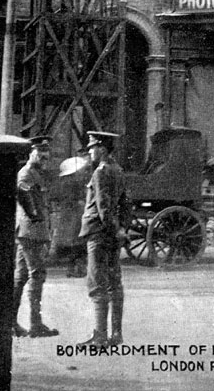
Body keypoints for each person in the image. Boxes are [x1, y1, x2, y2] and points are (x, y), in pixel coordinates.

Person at [77, 131, 131, 347]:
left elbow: (103, 207)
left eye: (92, 147)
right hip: (112, 235)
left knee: (97, 284)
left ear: (102, 149)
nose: (90, 151)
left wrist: (113, 228)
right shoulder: (118, 170)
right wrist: (122, 229)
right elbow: (126, 204)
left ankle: (99, 337)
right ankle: (116, 335)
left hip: (98, 234)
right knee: (114, 284)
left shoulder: (100, 173)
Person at [12, 135, 59, 338]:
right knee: (36, 275)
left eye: (46, 153)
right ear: (31, 152)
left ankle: (9, 322)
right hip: (30, 232)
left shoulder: (36, 174)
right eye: (40, 152)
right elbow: (27, 202)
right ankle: (35, 324)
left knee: (21, 277)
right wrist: (38, 219)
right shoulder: (25, 174)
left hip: (32, 232)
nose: (43, 156)